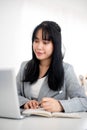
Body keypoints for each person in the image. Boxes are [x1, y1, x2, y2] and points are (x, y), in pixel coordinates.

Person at [16, 21, 87, 113]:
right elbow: (12, 95)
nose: (39, 47)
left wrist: (60, 105)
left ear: (55, 45)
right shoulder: (24, 67)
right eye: (36, 41)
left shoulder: (66, 70)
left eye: (45, 42)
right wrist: (25, 103)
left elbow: (84, 101)